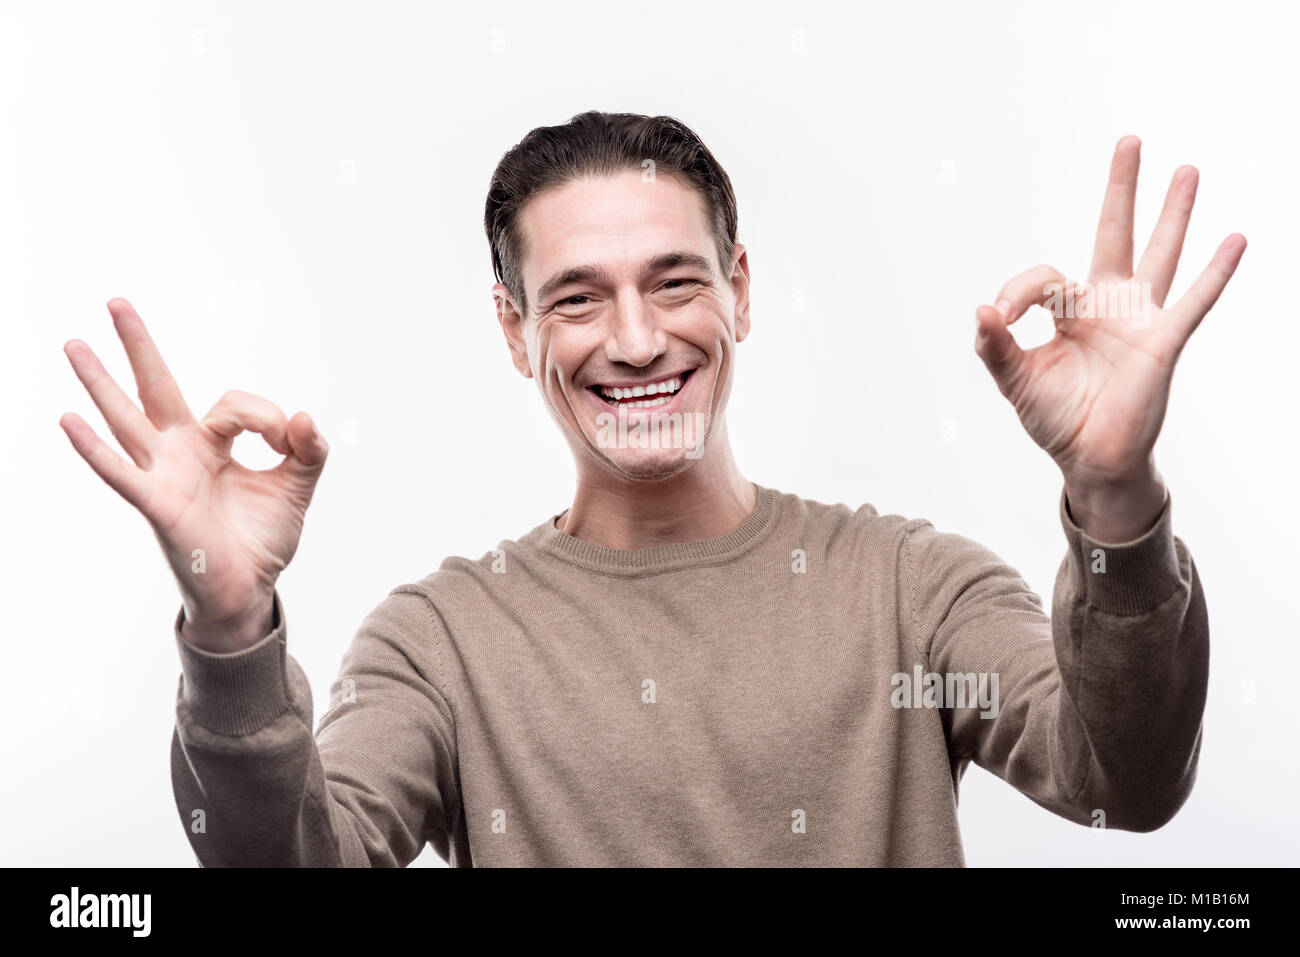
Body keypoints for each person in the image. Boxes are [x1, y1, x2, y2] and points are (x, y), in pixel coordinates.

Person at [60, 112, 1244, 866]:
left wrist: (1114, 495)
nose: (635, 341)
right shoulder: (439, 642)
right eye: (576, 298)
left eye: (674, 283)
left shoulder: (909, 585)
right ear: (515, 331)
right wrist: (227, 624)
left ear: (738, 290)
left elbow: (1125, 785)